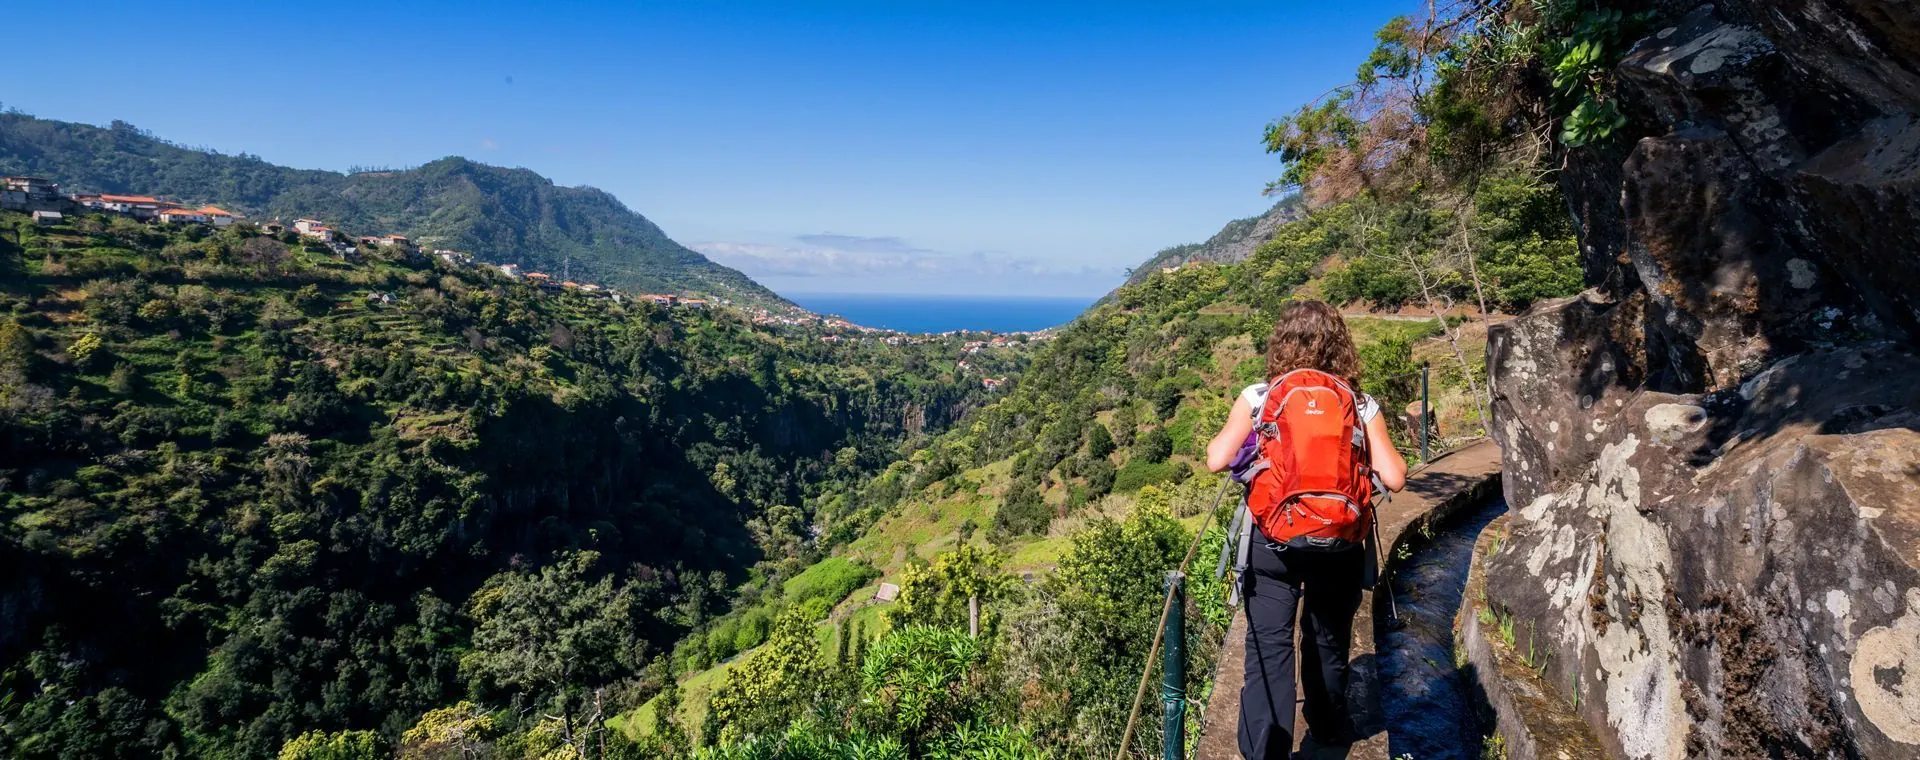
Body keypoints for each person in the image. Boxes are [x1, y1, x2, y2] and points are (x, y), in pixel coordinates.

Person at [1205, 300, 1407, 759]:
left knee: (1268, 650)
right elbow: (1395, 478)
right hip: (1340, 541)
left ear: (1281, 343)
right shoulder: (1357, 401)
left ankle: (1264, 752)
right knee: (1328, 639)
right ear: (1340, 346)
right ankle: (1327, 728)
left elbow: (1217, 458)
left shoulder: (1260, 395)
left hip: (1273, 540)